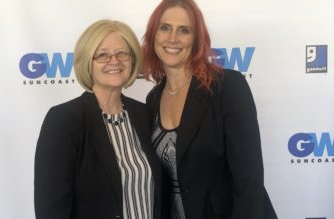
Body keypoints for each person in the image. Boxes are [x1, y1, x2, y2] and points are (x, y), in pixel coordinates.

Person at [141, 0, 277, 218]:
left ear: (196, 39)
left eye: (184, 30)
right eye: (164, 28)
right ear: (153, 35)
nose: (172, 38)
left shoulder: (227, 86)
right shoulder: (153, 99)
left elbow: (249, 180)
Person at [34, 19, 161, 219]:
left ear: (133, 60)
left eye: (122, 53)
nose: (114, 61)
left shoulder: (145, 114)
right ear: (87, 62)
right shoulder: (63, 121)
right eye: (102, 55)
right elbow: (51, 209)